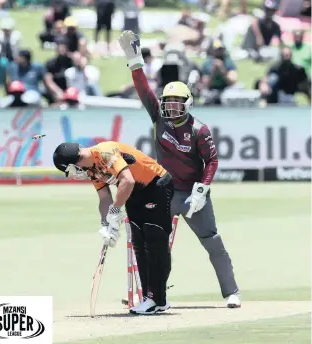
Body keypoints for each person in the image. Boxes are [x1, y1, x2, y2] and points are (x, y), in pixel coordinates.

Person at [118, 30, 241, 308]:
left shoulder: (199, 129)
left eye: (176, 104)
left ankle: (231, 291)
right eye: (168, 104)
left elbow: (212, 161)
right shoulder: (158, 118)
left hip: (193, 194)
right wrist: (135, 60)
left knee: (212, 242)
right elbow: (143, 90)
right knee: (155, 244)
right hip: (165, 192)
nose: (171, 109)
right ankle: (153, 297)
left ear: (188, 104)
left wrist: (203, 189)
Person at [53, 141, 174, 315]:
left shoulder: (105, 153)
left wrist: (116, 209)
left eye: (69, 171)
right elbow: (104, 198)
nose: (72, 175)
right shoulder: (90, 170)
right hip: (133, 191)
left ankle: (158, 299)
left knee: (154, 239)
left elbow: (128, 179)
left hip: (156, 184)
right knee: (139, 242)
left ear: (73, 163)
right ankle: (150, 298)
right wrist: (106, 224)